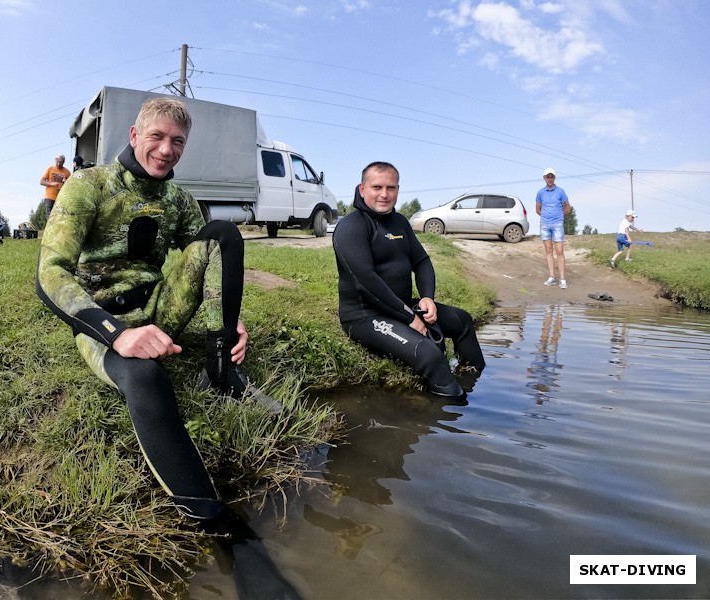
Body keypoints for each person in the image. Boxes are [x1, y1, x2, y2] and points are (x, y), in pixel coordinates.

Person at [36, 97, 281, 521]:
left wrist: (227, 318)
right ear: (134, 135)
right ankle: (215, 523)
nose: (166, 150)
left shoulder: (179, 199)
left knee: (222, 233)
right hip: (104, 320)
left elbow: (204, 262)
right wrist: (118, 334)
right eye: (157, 137)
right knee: (145, 376)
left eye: (178, 141)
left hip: (158, 307)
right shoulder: (89, 185)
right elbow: (50, 272)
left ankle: (221, 371)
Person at [332, 161, 485, 399]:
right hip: (365, 317)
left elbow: (422, 261)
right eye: (377, 187)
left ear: (397, 190)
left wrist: (427, 297)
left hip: (400, 308)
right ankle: (456, 406)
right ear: (362, 190)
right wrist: (409, 317)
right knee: (428, 354)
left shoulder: (400, 222)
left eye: (391, 188)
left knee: (463, 321)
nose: (384, 194)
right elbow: (366, 282)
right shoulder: (351, 227)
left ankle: (473, 381)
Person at [535, 167, 571, 289]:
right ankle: (552, 277)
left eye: (552, 177)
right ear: (544, 178)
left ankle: (562, 279)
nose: (550, 179)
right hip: (545, 224)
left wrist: (559, 217)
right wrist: (546, 218)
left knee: (560, 251)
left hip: (557, 224)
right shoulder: (540, 192)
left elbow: (567, 208)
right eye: (548, 177)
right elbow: (538, 209)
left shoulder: (561, 191)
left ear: (554, 178)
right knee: (548, 251)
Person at [40, 154, 71, 221]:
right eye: (57, 161)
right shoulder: (50, 169)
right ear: (55, 160)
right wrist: (51, 183)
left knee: (59, 217)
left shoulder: (67, 172)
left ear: (63, 162)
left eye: (60, 162)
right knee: (49, 218)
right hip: (49, 197)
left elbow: (71, 186)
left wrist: (65, 182)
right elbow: (41, 182)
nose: (58, 163)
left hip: (61, 197)